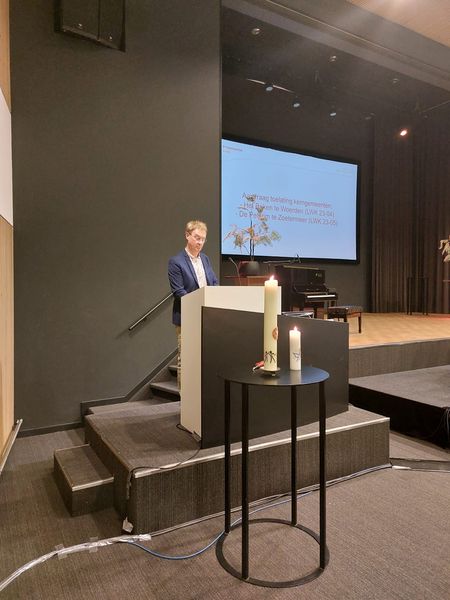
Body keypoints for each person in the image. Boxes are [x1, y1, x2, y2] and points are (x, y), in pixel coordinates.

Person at [168, 220, 218, 388]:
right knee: (186, 361)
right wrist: (198, 304)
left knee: (205, 359)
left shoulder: (205, 259)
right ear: (187, 235)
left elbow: (213, 282)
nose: (200, 242)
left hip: (208, 317)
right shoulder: (176, 262)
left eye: (203, 239)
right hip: (187, 318)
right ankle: (185, 399)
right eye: (197, 238)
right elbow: (179, 292)